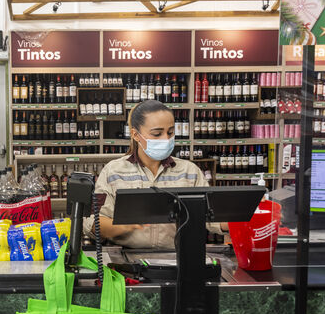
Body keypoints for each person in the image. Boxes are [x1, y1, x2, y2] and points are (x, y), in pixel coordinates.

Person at [85, 100, 227, 249]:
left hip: (178, 259)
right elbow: (93, 223)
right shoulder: (113, 172)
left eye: (170, 132)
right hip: (126, 262)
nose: (166, 139)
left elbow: (211, 218)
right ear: (135, 134)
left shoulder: (190, 172)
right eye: (157, 134)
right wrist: (126, 225)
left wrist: (239, 221)